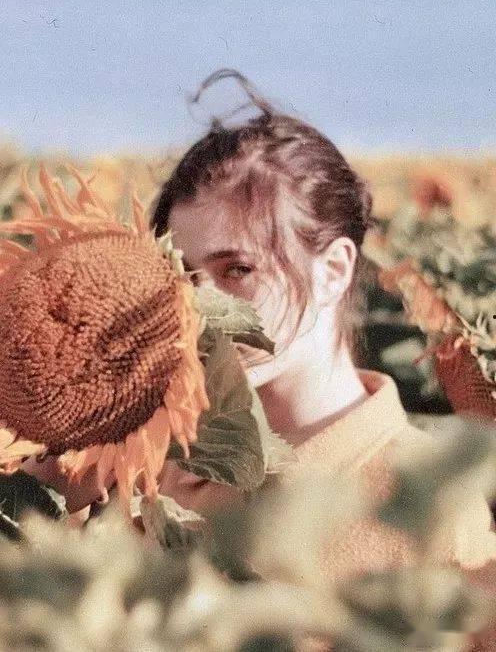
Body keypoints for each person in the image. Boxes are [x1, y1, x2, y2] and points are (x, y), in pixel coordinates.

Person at [151, 70, 496, 585]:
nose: (197, 307)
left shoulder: (431, 501)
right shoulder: (156, 472)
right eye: (184, 275)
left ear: (333, 271)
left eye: (237, 270)